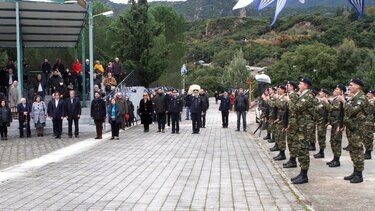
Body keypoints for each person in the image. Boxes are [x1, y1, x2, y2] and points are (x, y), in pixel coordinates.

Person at [342, 78, 368, 183]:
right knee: (353, 151)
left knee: (358, 151)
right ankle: (355, 171)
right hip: (352, 127)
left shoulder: (361, 98)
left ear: (358, 86)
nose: (350, 87)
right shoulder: (355, 97)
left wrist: (344, 102)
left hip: (358, 129)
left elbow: (352, 111)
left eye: (351, 85)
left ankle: (359, 175)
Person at [291, 78, 315, 185]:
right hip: (301, 126)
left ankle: (304, 175)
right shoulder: (302, 95)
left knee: (304, 149)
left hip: (305, 127)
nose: (299, 85)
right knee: (301, 149)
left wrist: (290, 99)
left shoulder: (308, 96)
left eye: (300, 84)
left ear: (305, 85)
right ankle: (302, 173)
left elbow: (296, 108)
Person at [326, 84, 346, 168]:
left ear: (341, 91)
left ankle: (337, 160)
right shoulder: (335, 99)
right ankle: (334, 158)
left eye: (337, 89)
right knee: (333, 141)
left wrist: (327, 103)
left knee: (337, 142)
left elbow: (334, 109)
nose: (335, 90)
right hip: (333, 123)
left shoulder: (341, 100)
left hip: (337, 123)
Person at [282, 81, 299, 168]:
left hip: (292, 122)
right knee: (290, 142)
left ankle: (293, 160)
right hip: (289, 121)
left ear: (292, 87)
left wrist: (290, 123)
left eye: (287, 85)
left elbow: (294, 110)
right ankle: (291, 159)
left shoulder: (294, 95)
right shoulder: (289, 95)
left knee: (293, 142)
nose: (286, 87)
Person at [313, 88, 330, 158]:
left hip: (323, 122)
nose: (319, 93)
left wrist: (328, 122)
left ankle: (322, 152)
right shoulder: (320, 101)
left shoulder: (326, 102)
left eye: (321, 92)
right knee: (320, 137)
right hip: (319, 121)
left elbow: (328, 111)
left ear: (325, 94)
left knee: (322, 137)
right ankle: (320, 151)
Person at [364, 90, 375, 159]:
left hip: (370, 122)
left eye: (369, 93)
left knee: (369, 137)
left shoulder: (373, 101)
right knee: (366, 137)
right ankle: (366, 152)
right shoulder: (368, 101)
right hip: (366, 121)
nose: (367, 94)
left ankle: (368, 153)